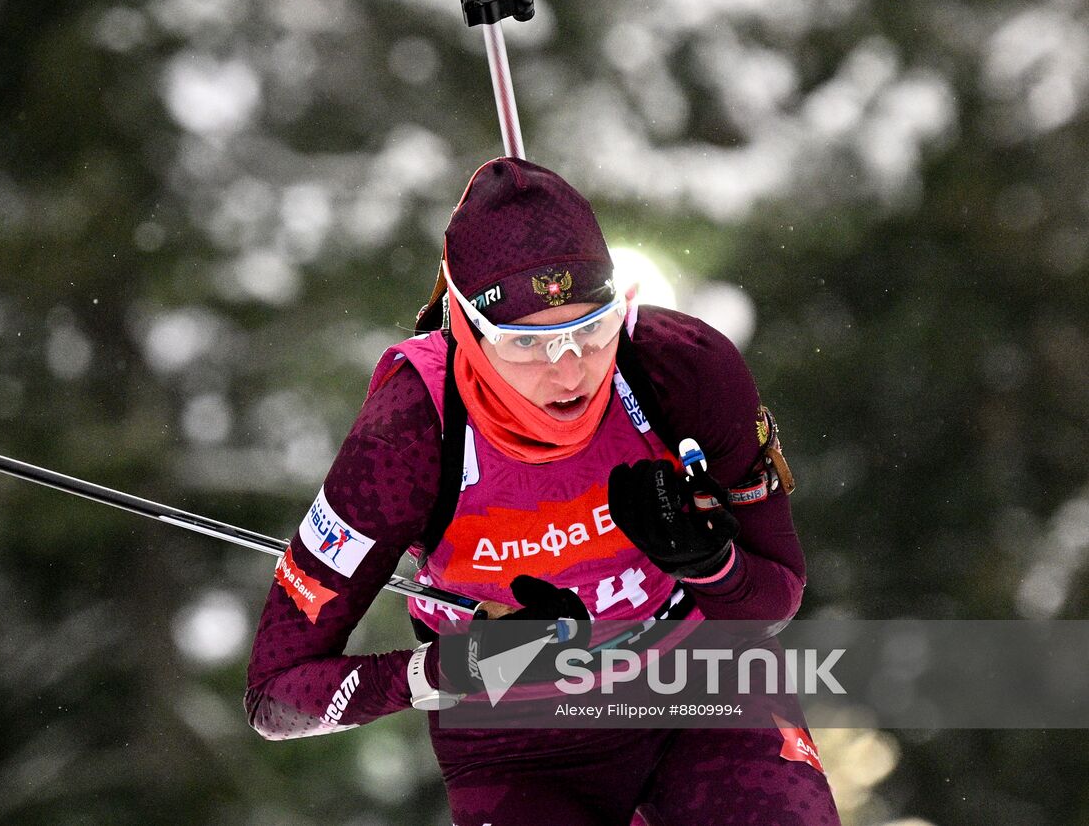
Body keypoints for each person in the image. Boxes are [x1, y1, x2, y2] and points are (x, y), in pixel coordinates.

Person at [244, 157, 839, 825]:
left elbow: (777, 592)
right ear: (466, 330)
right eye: (525, 343)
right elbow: (275, 698)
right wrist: (453, 667)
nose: (570, 371)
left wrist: (711, 564)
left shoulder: (684, 367)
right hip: (519, 746)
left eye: (591, 327)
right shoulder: (404, 437)